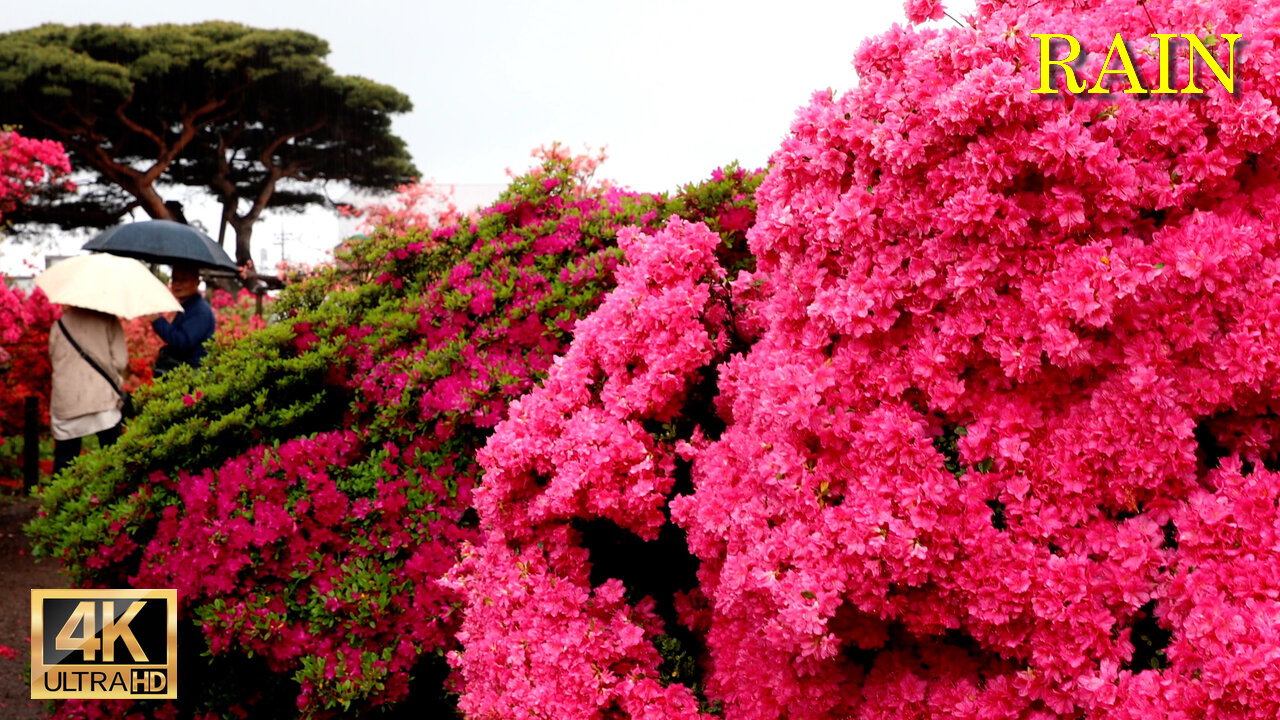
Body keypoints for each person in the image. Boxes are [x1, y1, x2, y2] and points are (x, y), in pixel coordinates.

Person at [50, 306, 127, 476]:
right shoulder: (109, 320)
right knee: (113, 461)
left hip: (67, 400)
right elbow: (121, 362)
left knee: (65, 463)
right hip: (102, 398)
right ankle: (111, 500)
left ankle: (61, 502)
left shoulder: (60, 324)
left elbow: (54, 357)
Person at [151, 263, 216, 376]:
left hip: (192, 375)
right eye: (174, 279)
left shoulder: (200, 310)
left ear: (197, 282)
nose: (177, 284)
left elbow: (182, 341)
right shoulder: (189, 307)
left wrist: (158, 321)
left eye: (184, 280)